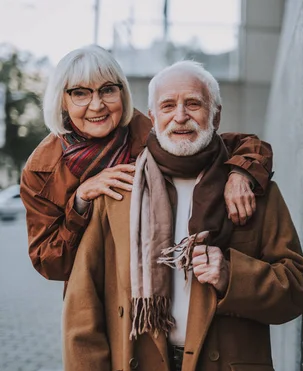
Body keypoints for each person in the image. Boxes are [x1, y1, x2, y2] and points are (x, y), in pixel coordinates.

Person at [62, 60, 303, 371]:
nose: (180, 116)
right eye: (168, 106)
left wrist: (232, 275)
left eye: (193, 103)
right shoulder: (118, 194)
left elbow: (295, 289)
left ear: (216, 115)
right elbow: (81, 311)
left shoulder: (254, 191)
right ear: (152, 116)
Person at [20, 45, 273, 286]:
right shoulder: (41, 170)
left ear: (122, 93)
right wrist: (80, 200)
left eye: (107, 90)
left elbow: (237, 144)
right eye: (80, 93)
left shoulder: (152, 133)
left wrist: (240, 173)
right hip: (95, 295)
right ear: (62, 101)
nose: (97, 105)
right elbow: (51, 263)